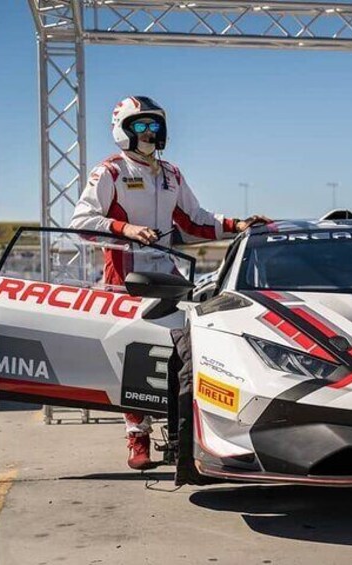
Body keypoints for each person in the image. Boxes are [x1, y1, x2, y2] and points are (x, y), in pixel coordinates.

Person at [70, 95, 270, 470]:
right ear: (123, 130)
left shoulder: (171, 174)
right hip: (124, 278)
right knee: (134, 354)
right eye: (141, 126)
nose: (149, 132)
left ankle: (187, 430)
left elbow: (194, 221)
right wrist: (126, 229)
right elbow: (82, 222)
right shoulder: (109, 172)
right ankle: (137, 437)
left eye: (154, 126)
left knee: (189, 347)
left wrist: (238, 225)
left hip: (170, 272)